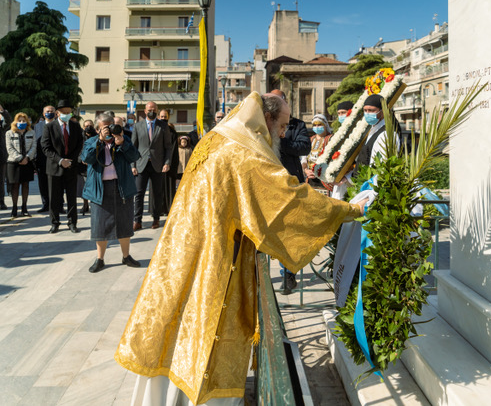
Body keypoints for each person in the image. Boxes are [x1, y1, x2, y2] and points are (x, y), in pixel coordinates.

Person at [115, 92, 366, 406]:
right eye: (284, 125)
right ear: (267, 119)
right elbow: (286, 200)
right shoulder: (244, 152)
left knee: (175, 328)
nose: (285, 133)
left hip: (182, 253)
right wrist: (346, 209)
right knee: (202, 333)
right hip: (215, 259)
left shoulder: (217, 138)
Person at [81, 112, 141, 273]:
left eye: (111, 126)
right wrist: (99, 141)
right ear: (97, 129)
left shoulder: (122, 139)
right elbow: (86, 158)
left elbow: (135, 156)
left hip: (121, 186)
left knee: (124, 222)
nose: (109, 130)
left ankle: (126, 256)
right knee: (100, 225)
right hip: (100, 189)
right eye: (105, 127)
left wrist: (123, 143)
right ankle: (100, 259)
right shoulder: (91, 141)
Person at [269, 89, 312, 292]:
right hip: (268, 184)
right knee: (274, 230)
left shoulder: (297, 125)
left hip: (291, 181)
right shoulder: (262, 123)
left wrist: (281, 138)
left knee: (289, 230)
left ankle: (288, 274)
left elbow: (304, 147)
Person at [41, 100, 84, 233]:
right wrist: (60, 161)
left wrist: (71, 160)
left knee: (72, 197)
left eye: (68, 112)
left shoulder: (75, 126)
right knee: (54, 198)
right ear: (57, 113)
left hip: (71, 167)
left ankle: (72, 223)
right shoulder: (49, 127)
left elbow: (79, 144)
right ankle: (55, 223)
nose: (66, 114)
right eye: (63, 112)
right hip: (55, 167)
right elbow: (46, 147)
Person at [131, 101, 172, 230]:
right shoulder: (138, 126)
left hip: (157, 165)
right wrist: (133, 165)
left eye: (154, 109)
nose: (152, 111)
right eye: (150, 109)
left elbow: (168, 147)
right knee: (139, 194)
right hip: (141, 164)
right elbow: (133, 147)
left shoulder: (163, 127)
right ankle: (137, 220)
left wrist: (167, 163)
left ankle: (156, 219)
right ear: (144, 111)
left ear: (157, 111)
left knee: (157, 193)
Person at [5, 113, 36, 218]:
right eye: (20, 121)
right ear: (15, 122)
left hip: (27, 162)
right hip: (14, 162)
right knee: (15, 185)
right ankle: (14, 208)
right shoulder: (9, 133)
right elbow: (9, 148)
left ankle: (24, 208)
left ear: (27, 122)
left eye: (24, 121)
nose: (21, 123)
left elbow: (34, 146)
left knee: (25, 184)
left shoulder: (31, 132)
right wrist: (20, 158)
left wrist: (27, 157)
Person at [301, 113, 332, 190]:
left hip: (325, 180)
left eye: (319, 125)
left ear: (325, 125)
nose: (317, 127)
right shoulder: (310, 140)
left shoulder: (330, 139)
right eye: (314, 125)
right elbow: (304, 158)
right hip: (310, 178)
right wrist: (306, 170)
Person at [35, 106, 56, 213]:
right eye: (47, 112)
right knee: (43, 183)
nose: (49, 113)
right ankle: (45, 204)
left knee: (57, 184)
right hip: (41, 159)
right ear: (43, 114)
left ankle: (58, 205)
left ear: (55, 113)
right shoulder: (37, 126)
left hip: (55, 159)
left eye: (51, 111)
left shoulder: (59, 125)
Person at [79, 119, 98, 215]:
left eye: (90, 125)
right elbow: (77, 150)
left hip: (94, 165)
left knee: (93, 186)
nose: (88, 127)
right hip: (82, 166)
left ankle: (93, 205)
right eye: (86, 126)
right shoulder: (79, 137)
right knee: (84, 186)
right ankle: (85, 204)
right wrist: (82, 158)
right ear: (83, 127)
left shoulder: (97, 136)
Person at [0, 104, 9, 210]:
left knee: (1, 182)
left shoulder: (1, 125)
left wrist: (2, 111)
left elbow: (8, 121)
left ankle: (1, 201)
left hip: (0, 156)